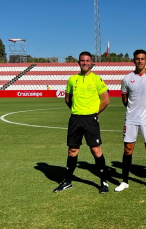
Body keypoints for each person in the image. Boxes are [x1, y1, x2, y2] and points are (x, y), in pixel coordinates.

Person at [53, 51, 110, 194]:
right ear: (79, 62)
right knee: (72, 150)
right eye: (82, 61)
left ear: (91, 63)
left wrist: (95, 113)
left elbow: (106, 100)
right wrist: (76, 110)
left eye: (87, 61)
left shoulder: (97, 79)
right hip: (75, 119)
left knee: (96, 150)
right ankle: (67, 181)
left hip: (90, 119)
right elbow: (67, 99)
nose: (85, 63)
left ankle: (103, 181)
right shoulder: (72, 80)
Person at [115, 50, 146, 192]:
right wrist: (133, 111)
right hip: (131, 118)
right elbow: (125, 100)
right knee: (128, 149)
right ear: (134, 61)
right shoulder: (127, 79)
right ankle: (124, 181)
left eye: (142, 59)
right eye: (137, 59)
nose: (140, 61)